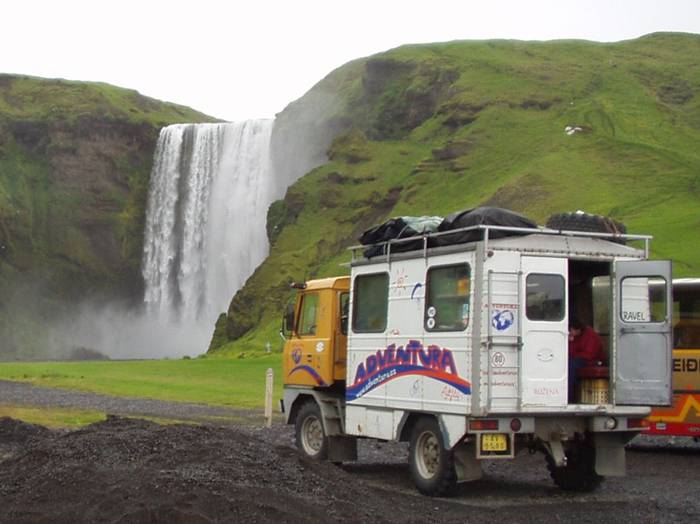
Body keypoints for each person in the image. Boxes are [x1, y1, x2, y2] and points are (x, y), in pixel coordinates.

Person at [568, 318, 605, 402]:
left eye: (571, 330)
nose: (570, 332)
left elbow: (589, 354)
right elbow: (570, 351)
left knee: (571, 366)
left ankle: (570, 397)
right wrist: (571, 342)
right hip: (579, 358)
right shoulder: (575, 336)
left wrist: (573, 354)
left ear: (578, 329)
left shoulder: (591, 336)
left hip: (593, 360)